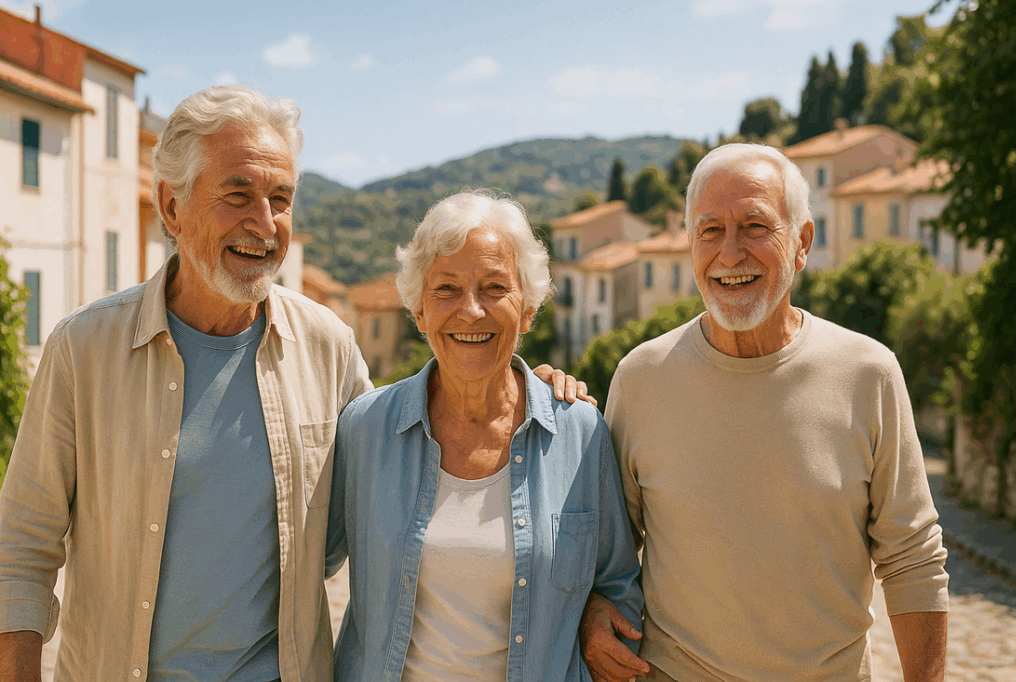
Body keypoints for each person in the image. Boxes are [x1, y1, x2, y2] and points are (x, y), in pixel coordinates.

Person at [0, 86, 587, 682]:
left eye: (280, 199)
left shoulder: (327, 346)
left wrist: (518, 390)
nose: (264, 224)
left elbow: (414, 452)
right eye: (238, 196)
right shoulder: (84, 349)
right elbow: (20, 549)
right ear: (171, 208)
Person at [581, 143, 949, 682]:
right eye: (709, 231)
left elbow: (913, 557)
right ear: (690, 245)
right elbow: (603, 555)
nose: (730, 253)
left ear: (801, 243)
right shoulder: (640, 378)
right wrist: (592, 614)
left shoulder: (868, 372)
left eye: (755, 226)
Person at [325, 190, 643, 681]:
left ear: (529, 310)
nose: (471, 311)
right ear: (419, 312)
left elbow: (618, 580)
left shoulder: (580, 433)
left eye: (495, 287)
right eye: (447, 289)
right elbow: (302, 563)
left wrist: (597, 614)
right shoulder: (364, 429)